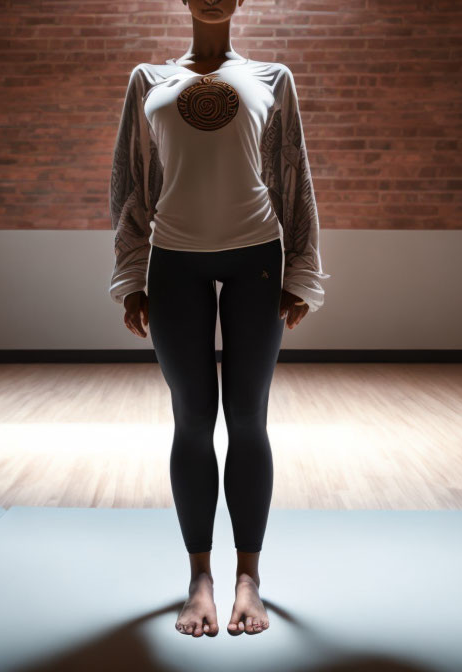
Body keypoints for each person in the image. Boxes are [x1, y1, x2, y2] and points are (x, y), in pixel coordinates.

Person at [108, 0, 330, 640]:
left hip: (256, 260)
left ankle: (248, 579)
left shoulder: (272, 78)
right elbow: (129, 182)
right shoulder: (149, 80)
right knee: (192, 420)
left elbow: (295, 177)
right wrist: (130, 277)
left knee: (248, 419)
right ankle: (200, 577)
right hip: (173, 263)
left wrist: (300, 273)